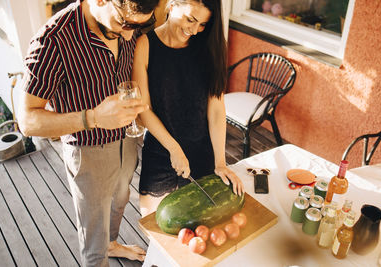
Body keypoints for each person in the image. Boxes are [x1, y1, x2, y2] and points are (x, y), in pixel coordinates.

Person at [17, 0, 159, 266]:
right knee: (94, 244)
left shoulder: (128, 22)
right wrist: (92, 117)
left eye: (140, 25)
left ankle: (112, 244)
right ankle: (101, 250)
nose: (130, 35)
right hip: (88, 152)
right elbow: (27, 120)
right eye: (125, 23)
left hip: (127, 140)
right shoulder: (53, 40)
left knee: (119, 201)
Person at [132, 0, 244, 217]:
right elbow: (143, 109)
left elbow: (217, 109)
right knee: (156, 226)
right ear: (172, 5)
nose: (193, 30)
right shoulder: (145, 45)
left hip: (202, 155)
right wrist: (174, 149)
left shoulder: (209, 46)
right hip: (160, 152)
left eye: (202, 24)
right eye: (190, 19)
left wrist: (220, 162)